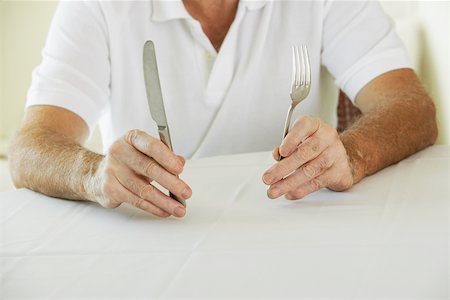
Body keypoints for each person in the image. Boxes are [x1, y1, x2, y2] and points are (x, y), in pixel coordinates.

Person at [9, 0, 437, 218]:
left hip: (290, 225)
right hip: (155, 233)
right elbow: (30, 148)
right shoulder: (97, 5)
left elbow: (411, 107)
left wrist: (350, 153)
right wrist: (94, 174)